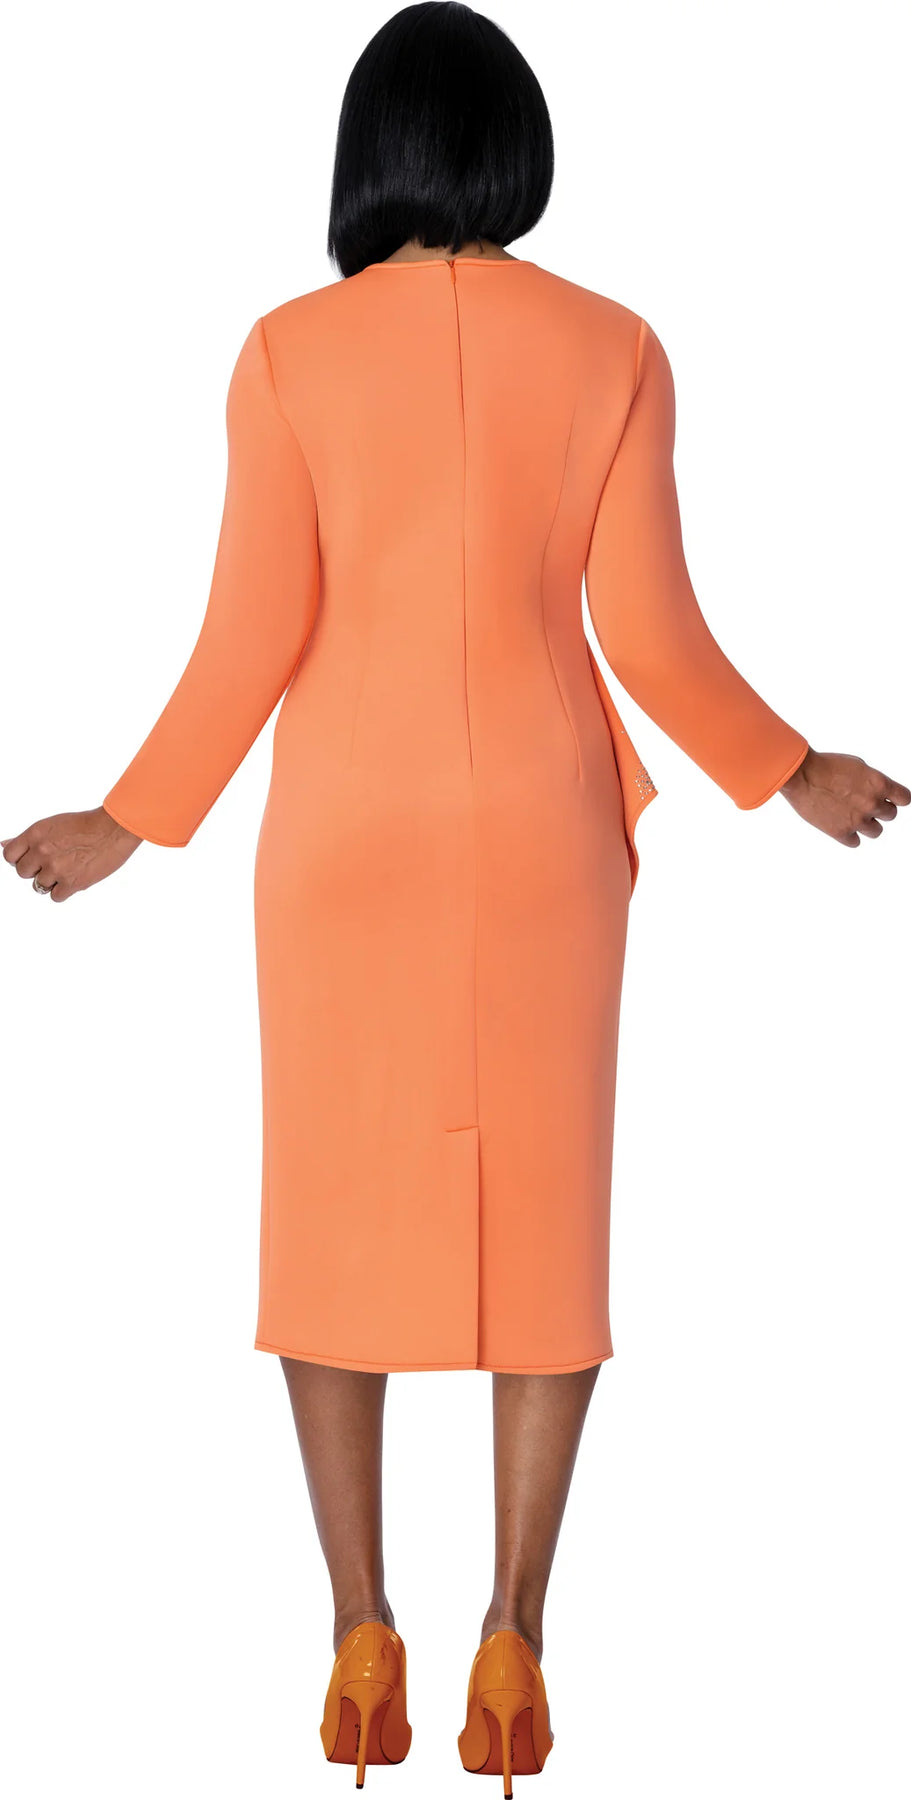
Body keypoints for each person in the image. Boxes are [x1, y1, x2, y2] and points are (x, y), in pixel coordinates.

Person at [3, 4, 906, 1792]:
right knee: (545, 1214)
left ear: (367, 155)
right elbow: (648, 630)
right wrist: (790, 768)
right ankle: (517, 1632)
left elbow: (254, 630)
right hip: (547, 837)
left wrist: (131, 819)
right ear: (517, 148)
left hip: (347, 834)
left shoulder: (286, 353)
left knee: (329, 1209)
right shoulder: (616, 347)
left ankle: (360, 1627)